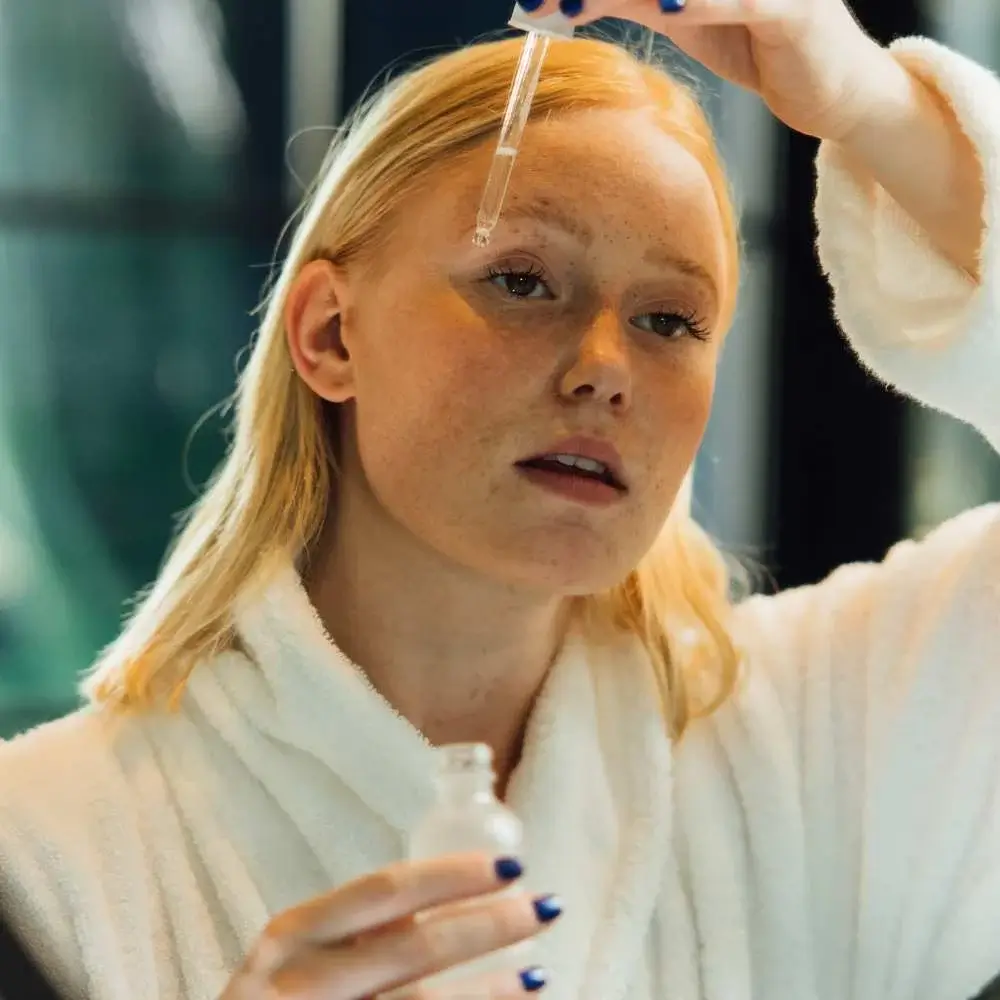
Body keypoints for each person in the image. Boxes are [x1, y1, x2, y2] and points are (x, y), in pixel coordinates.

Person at [1, 0, 998, 997]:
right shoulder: (45, 850)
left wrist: (872, 104)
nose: (605, 368)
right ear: (330, 336)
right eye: (522, 281)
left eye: (667, 318)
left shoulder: (830, 754)